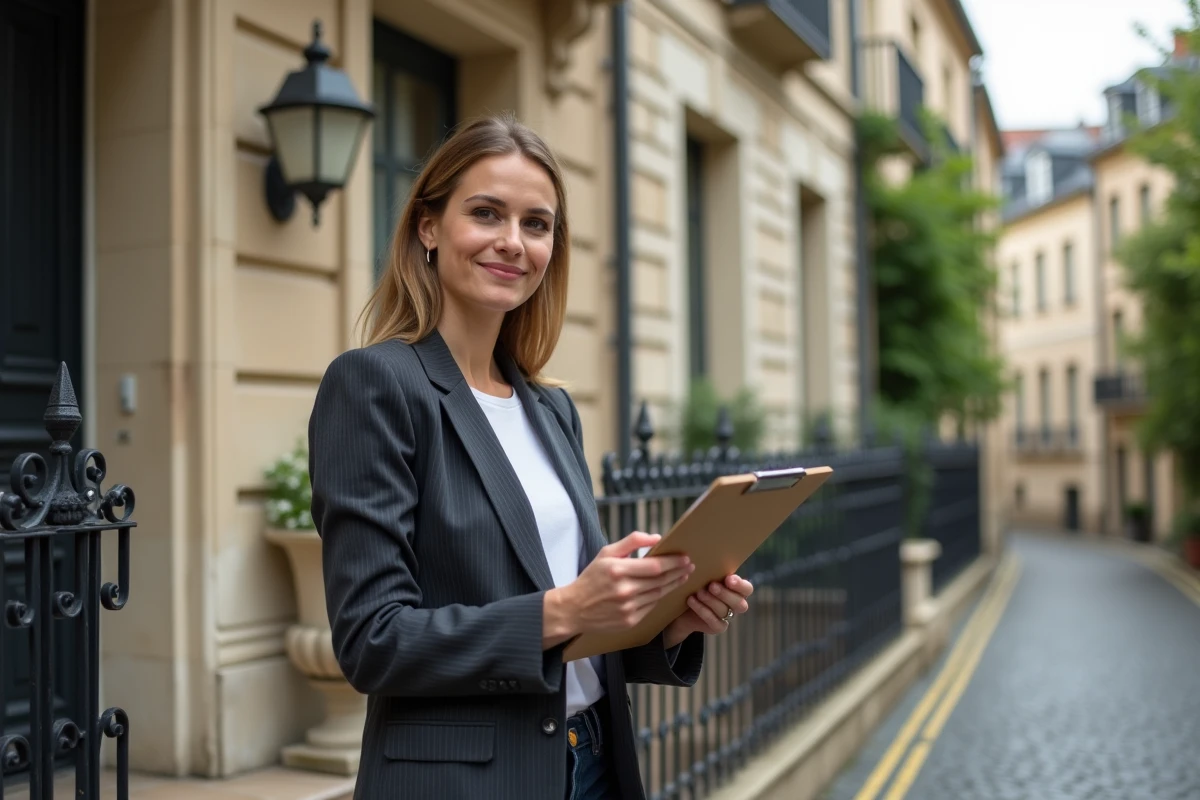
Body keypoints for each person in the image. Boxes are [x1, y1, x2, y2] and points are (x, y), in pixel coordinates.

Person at [308, 113, 755, 800]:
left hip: (595, 764)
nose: (512, 243)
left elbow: (574, 635)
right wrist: (569, 607)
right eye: (487, 213)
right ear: (429, 226)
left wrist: (664, 625)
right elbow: (373, 639)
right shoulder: (376, 384)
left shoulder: (551, 410)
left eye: (537, 223)